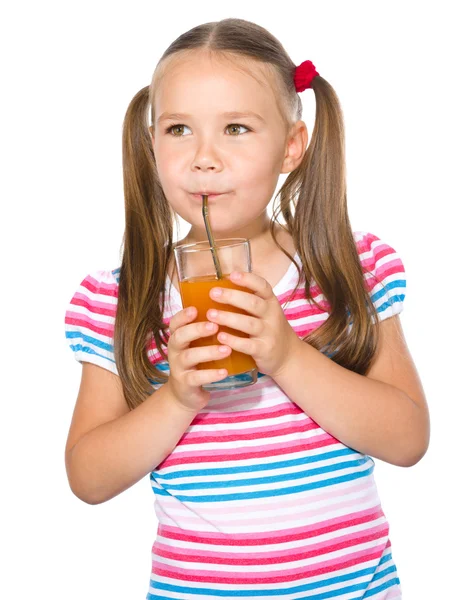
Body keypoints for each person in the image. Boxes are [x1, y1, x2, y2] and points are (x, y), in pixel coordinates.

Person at [64, 17, 430, 600]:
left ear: (291, 146)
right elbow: (87, 476)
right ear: (150, 142)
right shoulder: (118, 297)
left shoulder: (349, 268)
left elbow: (408, 439)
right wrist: (177, 396)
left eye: (236, 128)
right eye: (179, 128)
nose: (204, 158)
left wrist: (287, 354)